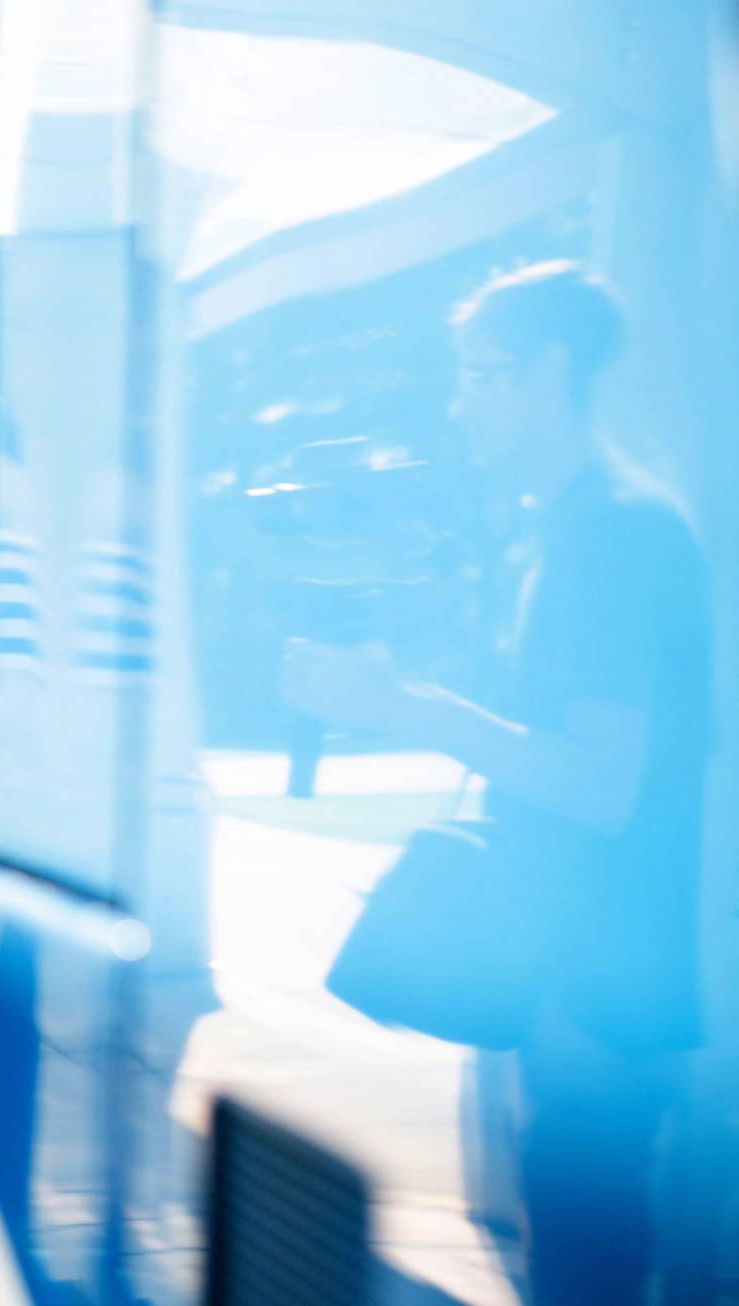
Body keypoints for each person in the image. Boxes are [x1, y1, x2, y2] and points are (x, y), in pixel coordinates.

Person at [284, 261, 710, 1306]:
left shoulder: (610, 531)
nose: (458, 404)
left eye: (479, 375)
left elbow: (601, 785)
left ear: (550, 370)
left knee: (584, 1265)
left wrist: (406, 706)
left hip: (601, 993)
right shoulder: (580, 524)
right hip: (591, 981)